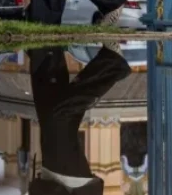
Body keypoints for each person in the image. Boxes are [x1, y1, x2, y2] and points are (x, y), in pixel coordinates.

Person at [26, 44, 132, 195]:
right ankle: (112, 64)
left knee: (50, 104)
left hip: (52, 177)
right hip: (70, 184)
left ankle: (45, 48)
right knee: (59, 117)